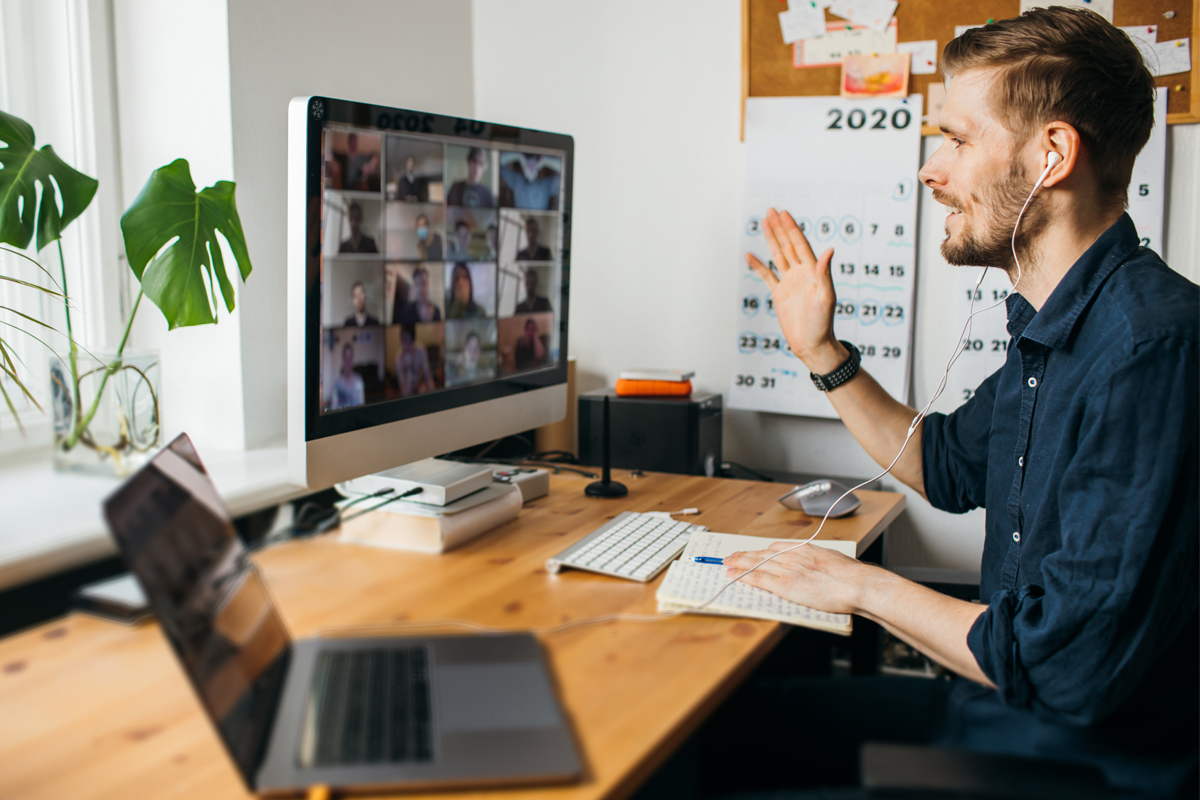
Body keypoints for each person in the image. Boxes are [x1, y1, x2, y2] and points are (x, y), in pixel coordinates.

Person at [712, 9, 1198, 799]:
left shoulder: (1151, 350)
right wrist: (820, 353)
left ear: (1052, 155)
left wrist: (861, 587)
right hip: (996, 715)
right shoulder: (1056, 327)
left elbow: (1064, 668)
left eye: (959, 141)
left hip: (1083, 768)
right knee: (727, 731)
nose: (931, 170)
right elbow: (943, 464)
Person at [395, 324, 434, 397]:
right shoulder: (398, 358)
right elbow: (404, 392)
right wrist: (408, 368)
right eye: (405, 340)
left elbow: (428, 376)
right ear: (401, 340)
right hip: (407, 394)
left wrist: (434, 396)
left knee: (423, 389)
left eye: (410, 340)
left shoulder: (421, 351)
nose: (407, 345)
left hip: (421, 389)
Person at [331, 344, 365, 410]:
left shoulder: (359, 381)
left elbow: (362, 405)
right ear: (343, 359)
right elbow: (334, 409)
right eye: (346, 358)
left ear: (352, 359)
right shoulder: (336, 385)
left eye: (350, 358)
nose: (348, 361)